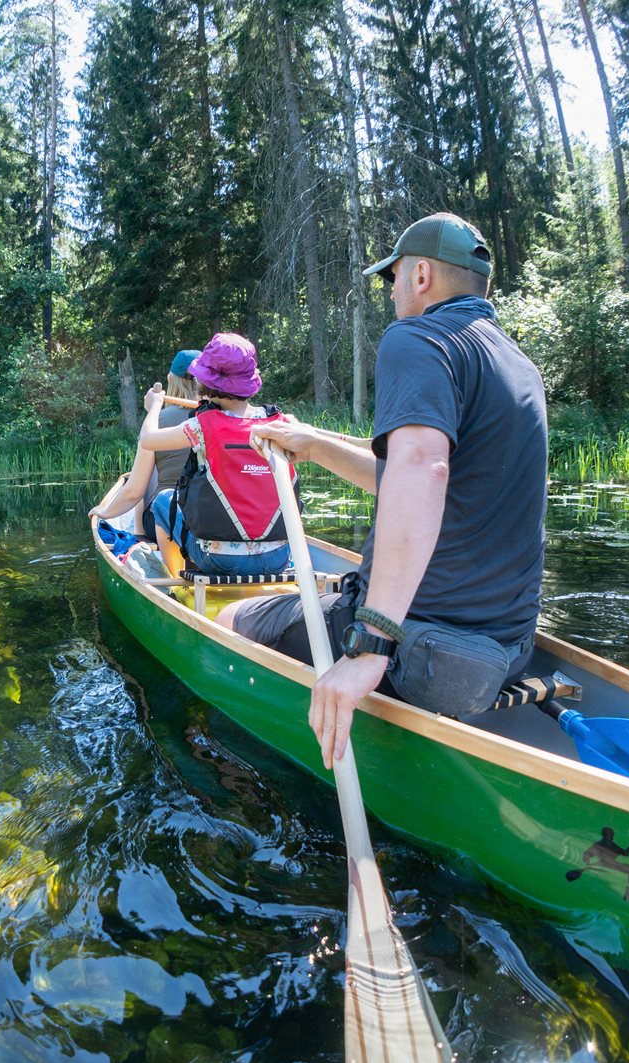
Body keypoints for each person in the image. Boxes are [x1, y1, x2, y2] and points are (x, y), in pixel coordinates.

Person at [216, 212, 548, 770]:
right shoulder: (519, 366)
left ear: (421, 276)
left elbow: (422, 469)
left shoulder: (418, 338)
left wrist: (372, 643)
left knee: (229, 622)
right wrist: (314, 444)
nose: (390, 292)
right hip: (506, 651)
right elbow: (418, 478)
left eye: (391, 277)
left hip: (417, 645)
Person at [139, 333, 295, 577]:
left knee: (162, 501)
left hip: (219, 560)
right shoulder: (280, 423)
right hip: (278, 559)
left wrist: (155, 406)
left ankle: (173, 585)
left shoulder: (202, 425)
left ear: (207, 383)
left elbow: (148, 440)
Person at [89, 349, 200, 538]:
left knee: (144, 469)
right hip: (210, 518)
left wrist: (105, 512)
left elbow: (134, 492)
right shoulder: (223, 418)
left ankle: (139, 532)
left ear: (172, 381)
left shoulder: (156, 420)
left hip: (164, 524)